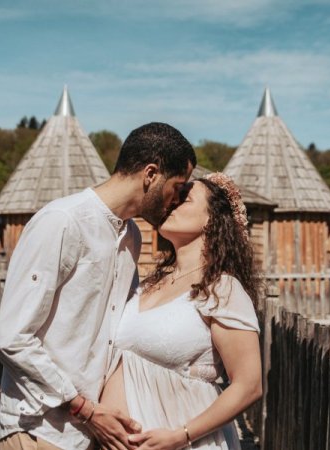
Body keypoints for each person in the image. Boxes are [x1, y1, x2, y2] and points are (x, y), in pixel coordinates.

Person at [0, 122, 196, 450]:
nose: (177, 200)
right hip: (40, 431)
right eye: (178, 186)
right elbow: (11, 337)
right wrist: (83, 408)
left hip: (90, 435)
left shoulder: (131, 237)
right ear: (151, 174)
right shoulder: (62, 221)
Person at [99, 172, 263, 450]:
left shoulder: (222, 288)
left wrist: (180, 435)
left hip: (183, 442)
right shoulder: (148, 283)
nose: (171, 204)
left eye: (184, 199)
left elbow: (249, 385)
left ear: (212, 219)